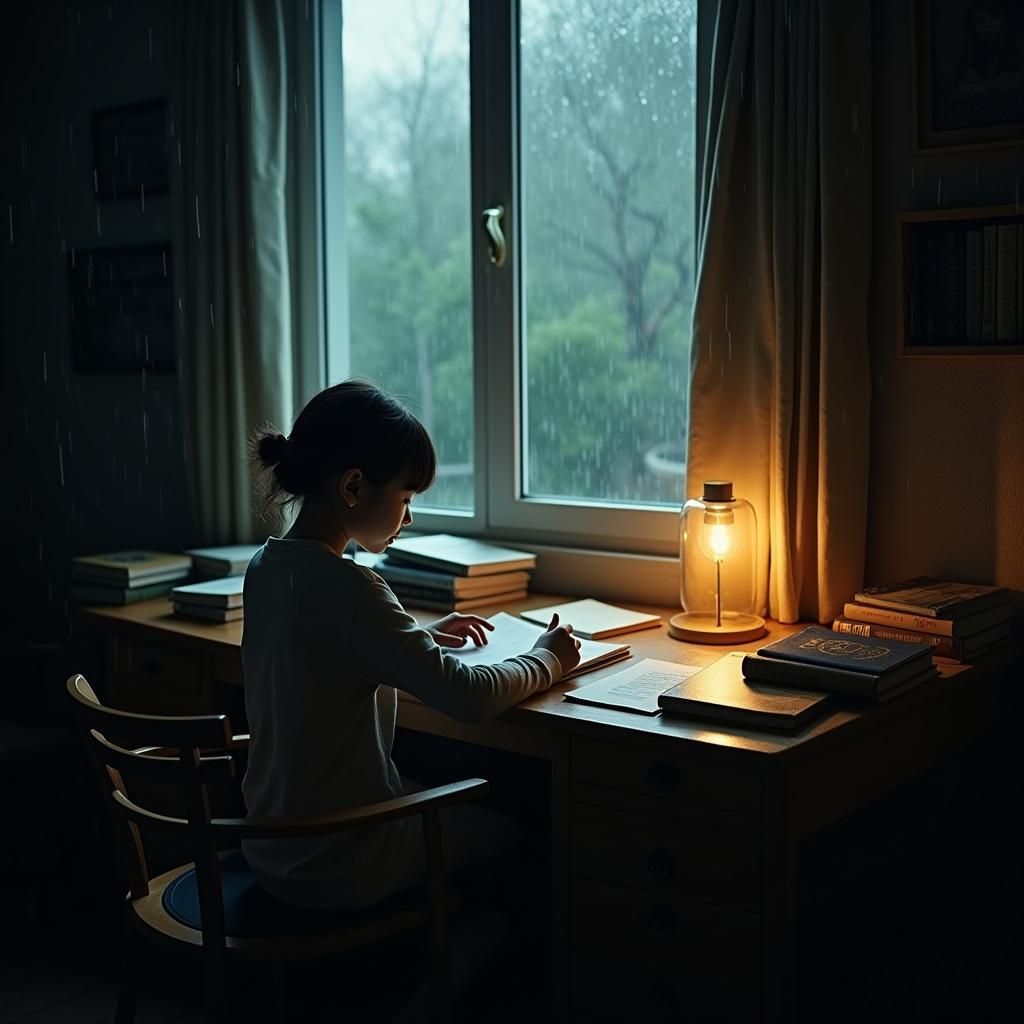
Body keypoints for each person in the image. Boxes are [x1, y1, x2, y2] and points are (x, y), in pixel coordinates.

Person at [241, 379, 581, 920]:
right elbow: (467, 698)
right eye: (405, 498)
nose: (409, 517)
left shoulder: (264, 567)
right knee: (521, 829)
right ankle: (449, 984)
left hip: (274, 845)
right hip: (340, 856)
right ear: (353, 486)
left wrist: (414, 639)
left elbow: (319, 657)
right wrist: (547, 659)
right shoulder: (353, 590)